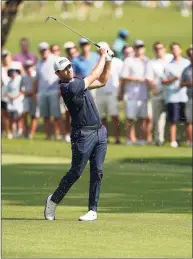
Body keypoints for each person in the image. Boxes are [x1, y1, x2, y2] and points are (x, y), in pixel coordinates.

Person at [44, 46, 113, 221]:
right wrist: (103, 56)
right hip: (82, 135)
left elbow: (103, 80)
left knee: (97, 171)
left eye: (69, 66)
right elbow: (94, 75)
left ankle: (92, 210)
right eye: (64, 69)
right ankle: (53, 200)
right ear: (58, 74)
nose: (68, 69)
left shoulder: (78, 81)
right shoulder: (68, 87)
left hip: (99, 132)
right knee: (76, 172)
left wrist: (109, 62)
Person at [118, 40, 149, 145]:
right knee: (130, 118)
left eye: (141, 47)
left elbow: (149, 77)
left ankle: (141, 139)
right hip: (131, 94)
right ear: (134, 48)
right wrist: (136, 79)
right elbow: (124, 76)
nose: (139, 49)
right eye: (137, 47)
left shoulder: (146, 61)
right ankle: (130, 139)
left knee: (142, 118)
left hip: (143, 94)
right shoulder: (128, 61)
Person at [162, 42, 190, 148]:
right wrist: (174, 78)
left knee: (188, 120)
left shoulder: (187, 63)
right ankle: (173, 141)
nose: (175, 51)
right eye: (173, 49)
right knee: (173, 120)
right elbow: (164, 80)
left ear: (180, 50)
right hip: (172, 96)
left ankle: (189, 140)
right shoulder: (168, 65)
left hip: (185, 95)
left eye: (177, 49)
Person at [95, 42, 123, 144]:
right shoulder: (97, 62)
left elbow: (121, 78)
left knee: (114, 116)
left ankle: (117, 137)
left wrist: (120, 92)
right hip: (100, 92)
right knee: (102, 117)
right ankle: (104, 138)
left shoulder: (118, 62)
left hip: (113, 92)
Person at [146, 41, 173, 146]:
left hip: (171, 93)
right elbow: (149, 79)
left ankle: (173, 140)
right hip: (157, 93)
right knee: (158, 119)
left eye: (160, 48)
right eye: (156, 48)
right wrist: (153, 89)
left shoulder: (170, 59)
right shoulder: (152, 63)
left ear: (164, 49)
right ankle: (159, 140)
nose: (159, 50)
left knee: (172, 117)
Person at [33, 42, 61, 140]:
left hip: (54, 91)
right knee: (45, 115)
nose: (44, 52)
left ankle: (57, 134)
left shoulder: (55, 59)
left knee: (56, 115)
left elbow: (61, 75)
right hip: (42, 92)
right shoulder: (39, 63)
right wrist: (35, 93)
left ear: (48, 50)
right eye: (42, 50)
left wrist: (60, 89)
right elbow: (36, 80)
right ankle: (48, 135)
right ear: (40, 52)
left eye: (45, 50)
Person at [6, 61, 24, 138]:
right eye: (11, 71)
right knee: (13, 117)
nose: (13, 73)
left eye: (14, 71)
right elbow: (6, 91)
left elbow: (22, 90)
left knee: (19, 117)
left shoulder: (20, 79)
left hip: (19, 101)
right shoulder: (9, 81)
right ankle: (14, 132)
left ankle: (20, 131)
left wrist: (16, 96)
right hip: (11, 102)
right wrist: (10, 96)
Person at [21, 60, 37, 139]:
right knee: (24, 114)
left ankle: (31, 133)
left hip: (34, 97)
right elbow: (21, 88)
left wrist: (32, 92)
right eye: (27, 66)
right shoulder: (24, 76)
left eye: (30, 66)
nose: (28, 68)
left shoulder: (35, 75)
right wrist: (26, 92)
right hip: (26, 97)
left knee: (33, 116)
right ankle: (26, 131)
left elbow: (37, 87)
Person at [180, 47, 193, 147]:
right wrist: (190, 83)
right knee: (189, 120)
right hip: (190, 98)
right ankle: (190, 142)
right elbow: (182, 83)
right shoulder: (186, 70)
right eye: (191, 55)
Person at [1, 50, 12, 139]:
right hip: (4, 96)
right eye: (3, 57)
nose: (5, 58)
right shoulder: (1, 70)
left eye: (6, 56)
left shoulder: (16, 66)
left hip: (16, 95)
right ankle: (8, 132)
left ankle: (18, 131)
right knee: (5, 115)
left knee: (18, 115)